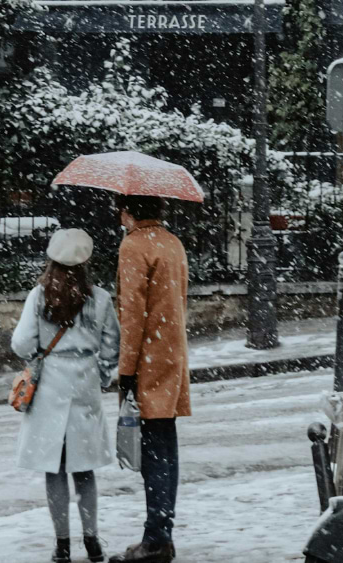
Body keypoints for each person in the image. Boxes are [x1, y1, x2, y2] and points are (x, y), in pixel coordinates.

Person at [11, 228, 119, 563]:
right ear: (86, 261)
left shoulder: (39, 296)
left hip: (50, 386)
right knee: (84, 470)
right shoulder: (99, 298)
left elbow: (21, 344)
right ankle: (92, 540)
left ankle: (62, 545)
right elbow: (113, 346)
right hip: (84, 382)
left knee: (54, 469)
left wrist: (40, 355)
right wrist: (98, 374)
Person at [110, 195, 191, 563]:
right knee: (167, 450)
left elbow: (132, 316)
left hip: (147, 359)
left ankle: (155, 539)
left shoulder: (133, 246)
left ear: (128, 211)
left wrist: (126, 371)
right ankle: (162, 533)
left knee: (153, 454)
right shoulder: (172, 243)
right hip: (171, 353)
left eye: (121, 211)